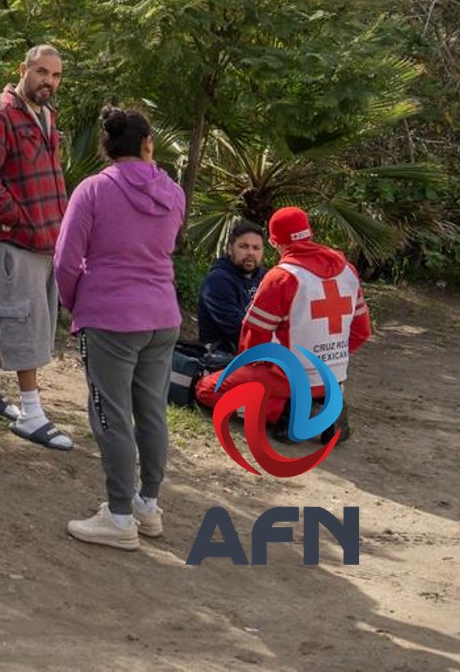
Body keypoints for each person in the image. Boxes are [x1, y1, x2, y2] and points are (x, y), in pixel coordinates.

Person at [55, 107, 187, 549]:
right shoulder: (172, 191)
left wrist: (79, 305)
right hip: (162, 315)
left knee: (110, 415)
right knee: (151, 413)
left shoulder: (93, 190)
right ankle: (147, 505)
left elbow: (66, 261)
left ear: (106, 148)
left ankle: (118, 516)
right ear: (148, 142)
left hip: (111, 316)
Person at [0, 44, 74, 450]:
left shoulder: (46, 116)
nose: (49, 81)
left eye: (56, 75)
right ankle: (31, 415)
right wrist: (13, 217)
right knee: (25, 321)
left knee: (26, 320)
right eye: (42, 72)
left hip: (47, 241)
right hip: (16, 240)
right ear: (23, 69)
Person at [194, 206, 371, 442]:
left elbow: (254, 338)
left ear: (274, 241)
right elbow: (361, 331)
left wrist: (255, 367)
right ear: (309, 233)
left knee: (207, 389)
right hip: (333, 377)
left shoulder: (282, 277)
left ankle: (290, 413)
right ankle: (326, 406)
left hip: (289, 377)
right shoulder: (348, 271)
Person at [197, 222, 268, 353]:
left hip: (256, 353)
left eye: (256, 248)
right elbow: (238, 330)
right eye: (243, 246)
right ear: (230, 249)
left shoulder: (265, 277)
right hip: (223, 358)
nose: (250, 252)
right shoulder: (218, 281)